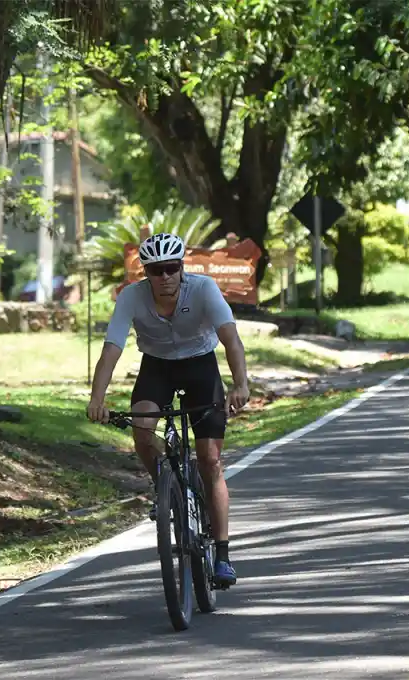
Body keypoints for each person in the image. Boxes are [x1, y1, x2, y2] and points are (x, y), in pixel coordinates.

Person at [86, 233, 250, 588]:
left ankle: (222, 556)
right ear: (145, 272)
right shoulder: (131, 297)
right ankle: (165, 487)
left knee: (210, 460)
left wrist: (240, 384)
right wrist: (97, 398)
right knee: (142, 430)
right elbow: (111, 349)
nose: (164, 277)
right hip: (156, 367)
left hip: (200, 366)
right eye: (155, 271)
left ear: (181, 268)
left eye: (171, 269)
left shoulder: (204, 289)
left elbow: (231, 339)